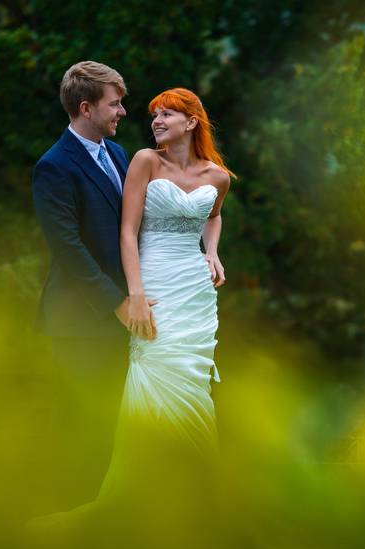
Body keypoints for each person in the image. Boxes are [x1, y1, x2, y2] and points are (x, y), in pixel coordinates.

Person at [95, 87, 232, 499]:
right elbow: (127, 231)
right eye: (154, 115)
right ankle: (144, 489)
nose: (156, 121)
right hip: (153, 280)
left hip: (195, 290)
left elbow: (214, 215)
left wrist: (212, 252)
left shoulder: (217, 176)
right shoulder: (144, 161)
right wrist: (135, 292)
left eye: (167, 115)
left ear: (191, 122)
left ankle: (195, 488)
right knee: (155, 366)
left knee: (193, 381)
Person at [31, 61, 132, 508]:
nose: (123, 112)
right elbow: (69, 249)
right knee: (82, 427)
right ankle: (68, 520)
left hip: (121, 317)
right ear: (86, 107)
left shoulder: (120, 155)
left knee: (113, 426)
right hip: (80, 323)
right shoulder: (53, 167)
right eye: (115, 103)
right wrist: (116, 303)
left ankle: (100, 519)